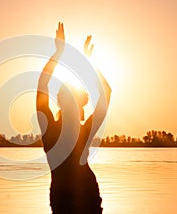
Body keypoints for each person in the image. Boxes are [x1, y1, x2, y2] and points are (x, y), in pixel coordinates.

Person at [36, 22, 111, 214]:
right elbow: (42, 84)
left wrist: (87, 62)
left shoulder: (75, 130)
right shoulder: (53, 130)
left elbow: (107, 94)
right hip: (66, 199)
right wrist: (59, 54)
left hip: (86, 196)